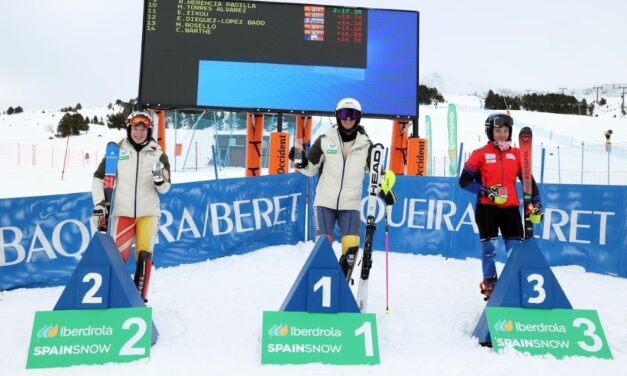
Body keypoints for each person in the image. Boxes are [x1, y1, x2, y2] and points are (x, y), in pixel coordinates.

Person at [288, 98, 395, 278]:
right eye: (344, 114)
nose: (348, 119)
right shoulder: (324, 140)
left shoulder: (366, 145)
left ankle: (341, 286)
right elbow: (311, 169)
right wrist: (301, 160)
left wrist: (385, 190)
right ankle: (321, 283)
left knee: (351, 248)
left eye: (352, 115)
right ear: (337, 116)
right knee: (324, 244)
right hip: (325, 202)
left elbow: (377, 174)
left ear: (358, 117)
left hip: (350, 205)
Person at [459, 113, 543, 301]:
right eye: (498, 131)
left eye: (505, 131)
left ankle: (512, 281)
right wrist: (486, 191)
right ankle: (490, 282)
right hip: (487, 209)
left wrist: (537, 203)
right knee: (490, 249)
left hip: (510, 209)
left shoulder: (516, 155)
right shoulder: (479, 154)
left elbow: (529, 182)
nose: (502, 134)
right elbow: (464, 181)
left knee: (515, 249)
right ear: (490, 132)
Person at [91, 110, 171, 302]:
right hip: (123, 213)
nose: (139, 133)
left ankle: (138, 300)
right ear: (129, 128)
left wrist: (159, 180)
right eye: (136, 128)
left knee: (144, 258)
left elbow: (166, 188)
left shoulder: (158, 154)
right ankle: (114, 298)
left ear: (149, 131)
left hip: (148, 214)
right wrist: (100, 204)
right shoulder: (116, 151)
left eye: (143, 129)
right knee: (118, 259)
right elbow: (98, 178)